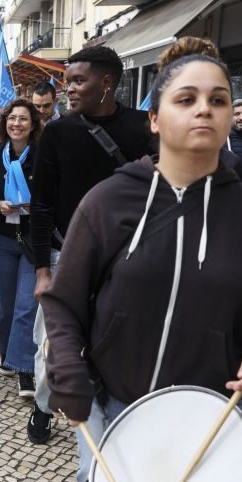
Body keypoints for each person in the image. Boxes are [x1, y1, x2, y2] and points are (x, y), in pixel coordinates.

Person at [41, 39, 242, 482]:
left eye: (218, 98)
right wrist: (67, 369)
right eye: (187, 98)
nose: (205, 108)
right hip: (115, 403)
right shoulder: (109, 202)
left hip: (209, 415)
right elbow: (63, 302)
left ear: (233, 115)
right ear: (155, 119)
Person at [27, 45, 154, 443]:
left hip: (131, 260)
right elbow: (41, 204)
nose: (70, 90)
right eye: (68, 82)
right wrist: (43, 270)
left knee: (119, 340)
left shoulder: (142, 129)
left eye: (79, 81)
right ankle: (44, 405)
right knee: (54, 342)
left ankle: (117, 410)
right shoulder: (58, 134)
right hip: (68, 257)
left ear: (107, 83)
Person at [0, 99, 43, 398]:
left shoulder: (43, 156)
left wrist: (38, 207)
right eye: (11, 119)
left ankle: (25, 370)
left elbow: (54, 195)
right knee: (6, 303)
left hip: (33, 241)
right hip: (1, 240)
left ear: (33, 125)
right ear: (4, 124)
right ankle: (5, 349)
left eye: (23, 119)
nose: (16, 124)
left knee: (26, 306)